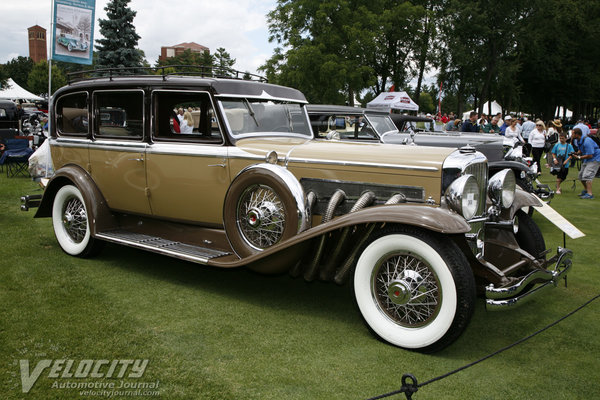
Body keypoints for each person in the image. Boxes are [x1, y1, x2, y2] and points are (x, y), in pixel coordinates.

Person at [571, 127, 600, 199]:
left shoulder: (587, 141)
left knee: (587, 175)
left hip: (595, 159)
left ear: (577, 134)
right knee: (581, 176)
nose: (571, 135)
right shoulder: (579, 140)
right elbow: (581, 150)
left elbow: (590, 155)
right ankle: (586, 190)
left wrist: (579, 158)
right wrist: (576, 153)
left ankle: (590, 194)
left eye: (572, 134)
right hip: (588, 159)